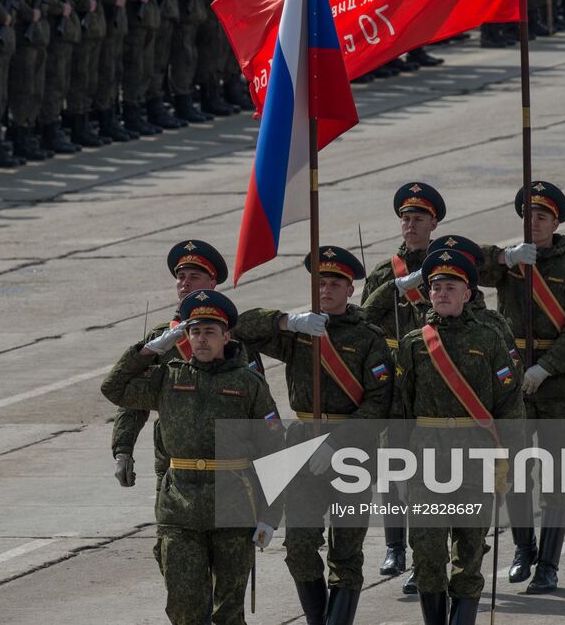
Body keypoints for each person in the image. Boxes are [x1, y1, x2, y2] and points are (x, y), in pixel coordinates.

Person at [101, 288, 281, 625]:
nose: (201, 340)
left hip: (234, 507)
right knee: (185, 606)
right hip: (180, 508)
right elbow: (115, 389)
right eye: (195, 332)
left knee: (228, 612)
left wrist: (271, 515)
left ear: (226, 336)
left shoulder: (248, 383)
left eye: (209, 332)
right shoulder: (168, 377)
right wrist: (149, 350)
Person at [234, 246, 391, 625]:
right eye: (319, 283)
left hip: (352, 450)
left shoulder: (369, 338)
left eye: (335, 283)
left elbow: (380, 405)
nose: (326, 290)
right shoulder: (301, 332)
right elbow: (239, 327)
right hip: (302, 442)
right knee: (300, 546)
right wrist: (288, 322)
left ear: (350, 290)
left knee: (345, 551)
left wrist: (337, 442)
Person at [392, 248, 525, 625]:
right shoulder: (414, 343)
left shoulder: (489, 338)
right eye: (436, 287)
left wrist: (507, 463)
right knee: (427, 554)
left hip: (476, 458)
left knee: (468, 553)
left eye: (451, 287)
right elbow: (401, 412)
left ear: (468, 293)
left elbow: (510, 404)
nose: (442, 293)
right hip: (426, 462)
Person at [479, 181, 565, 593]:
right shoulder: (512, 264)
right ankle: (523, 548)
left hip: (557, 385)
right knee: (511, 472)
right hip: (514, 385)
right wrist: (504, 256)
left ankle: (548, 564)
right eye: (529, 216)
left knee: (555, 478)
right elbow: (463, 264)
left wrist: (546, 368)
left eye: (542, 216)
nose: (534, 222)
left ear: (557, 221)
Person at [359, 181, 445, 579]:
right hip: (394, 380)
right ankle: (395, 547)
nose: (410, 226)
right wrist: (396, 288)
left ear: (434, 223)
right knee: (392, 467)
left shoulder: (448, 266)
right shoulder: (383, 271)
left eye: (418, 219)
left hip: (434, 378)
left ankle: (429, 550)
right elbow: (362, 324)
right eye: (405, 219)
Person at [111, 239, 230, 490]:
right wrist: (123, 450)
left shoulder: (230, 335)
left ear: (212, 283)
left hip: (228, 460)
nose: (185, 283)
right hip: (174, 462)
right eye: (181, 277)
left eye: (194, 276)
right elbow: (134, 400)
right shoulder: (161, 338)